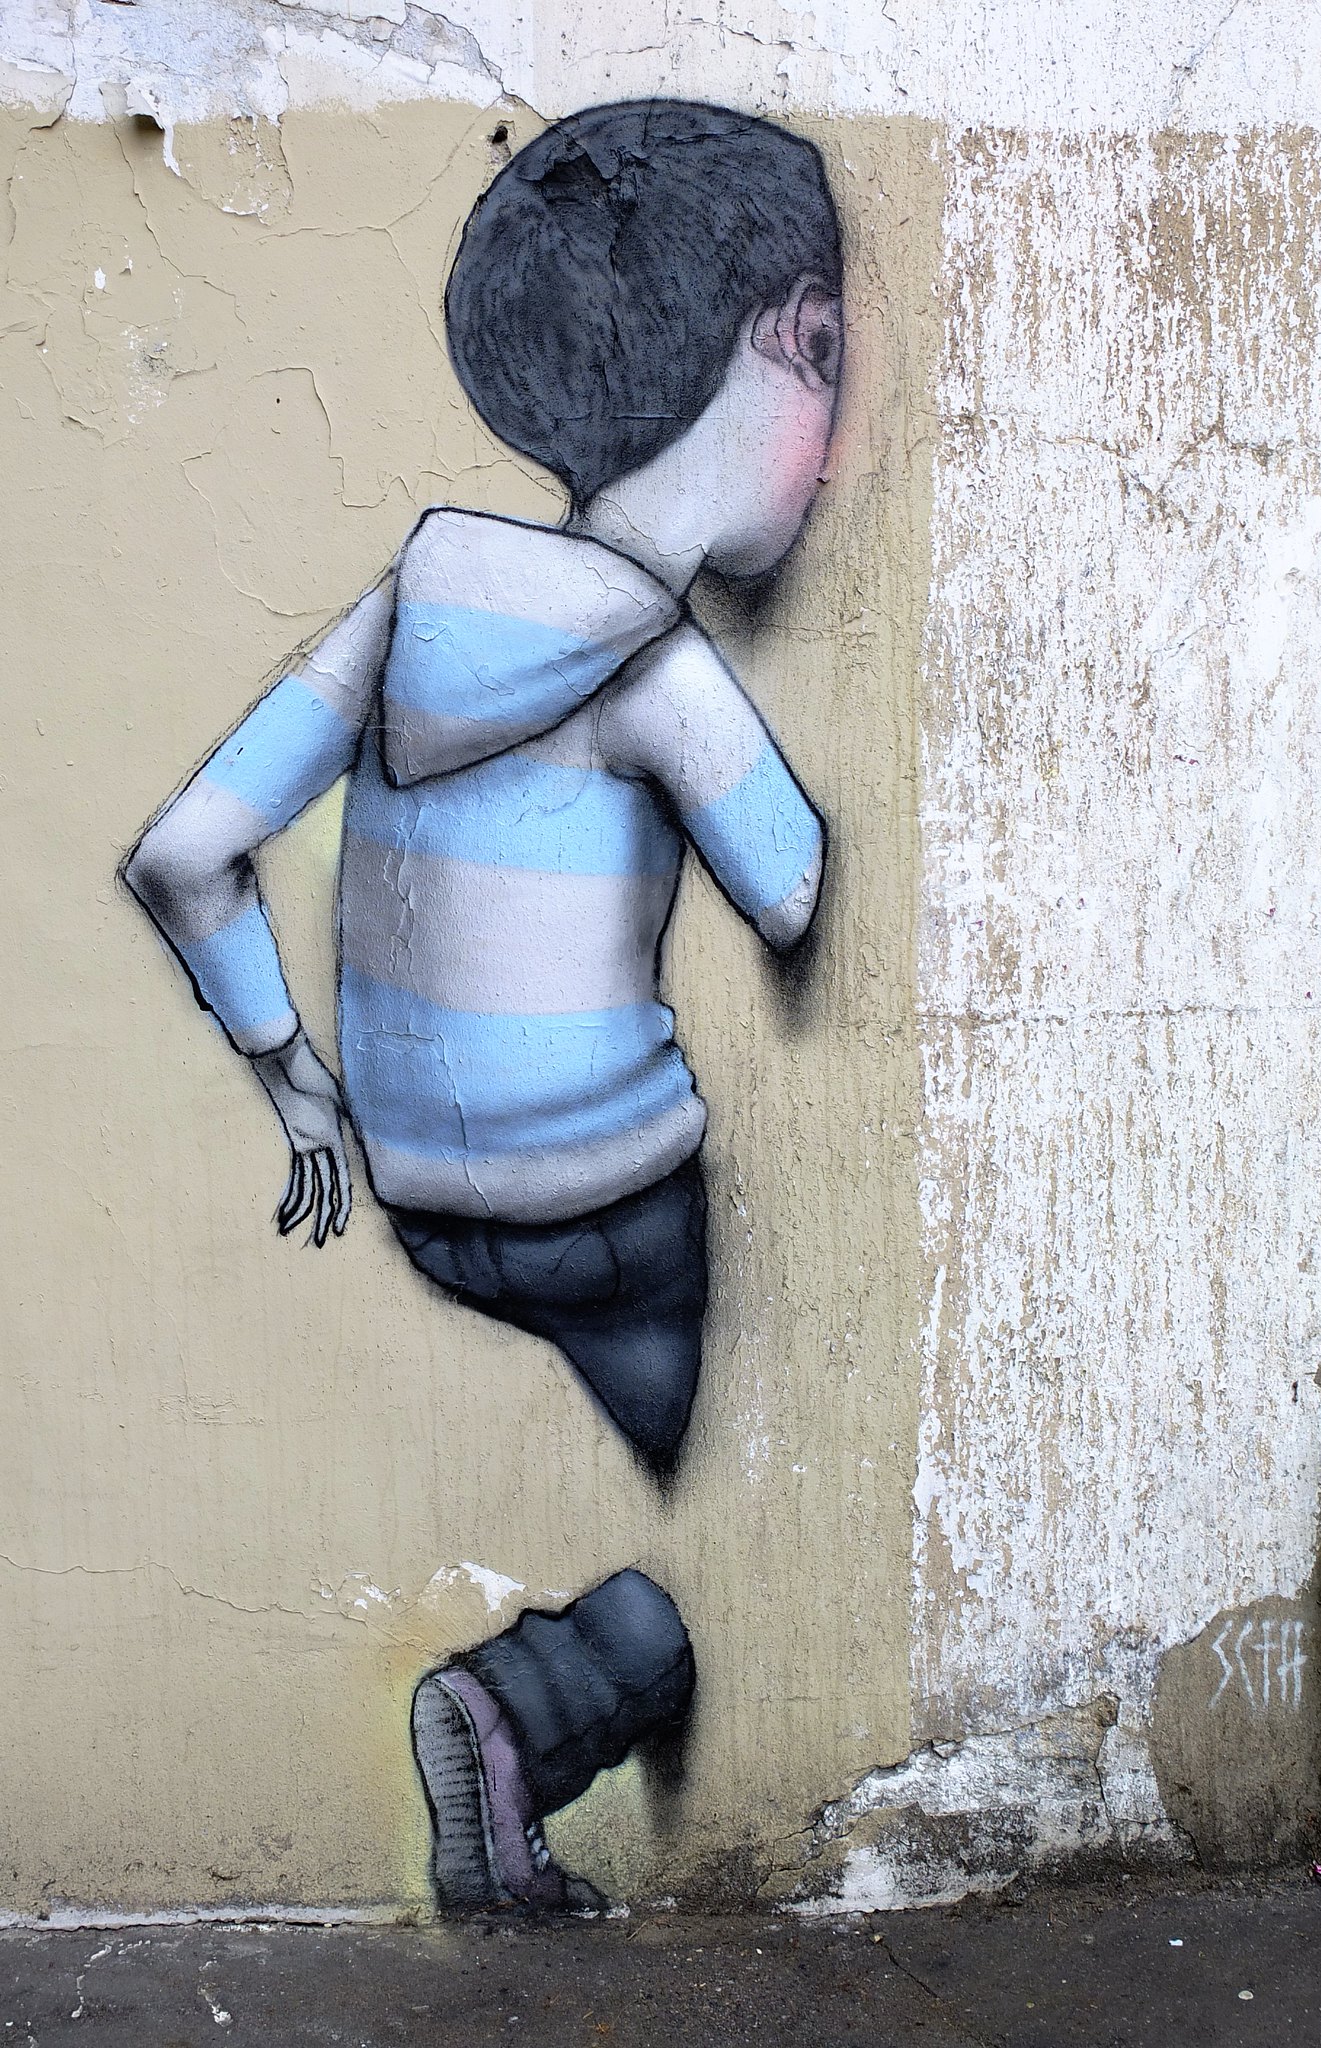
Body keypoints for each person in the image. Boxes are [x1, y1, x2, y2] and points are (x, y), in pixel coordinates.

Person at [124, 98, 843, 1911]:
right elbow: (792, 887)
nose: (838, 458)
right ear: (779, 345)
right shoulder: (658, 663)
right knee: (728, 1535)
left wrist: (296, 1080)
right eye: (829, 360)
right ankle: (533, 1702)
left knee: (629, 1492)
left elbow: (186, 852)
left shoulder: (403, 608)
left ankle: (528, 1719)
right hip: (612, 1207)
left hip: (430, 1209)